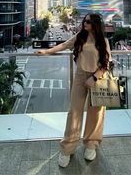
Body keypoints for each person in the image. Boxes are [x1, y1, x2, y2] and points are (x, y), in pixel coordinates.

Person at [36, 13, 112, 168]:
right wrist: (47, 51)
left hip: (97, 78)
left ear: (96, 24)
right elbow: (64, 45)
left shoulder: (103, 41)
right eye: (85, 20)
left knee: (96, 113)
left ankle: (91, 145)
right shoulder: (80, 37)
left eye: (89, 22)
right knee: (74, 112)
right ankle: (68, 148)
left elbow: (106, 63)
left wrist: (95, 77)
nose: (85, 23)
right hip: (80, 76)